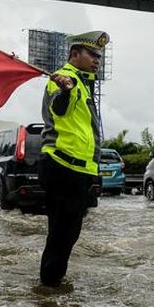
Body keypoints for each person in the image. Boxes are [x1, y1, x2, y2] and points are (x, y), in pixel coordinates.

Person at [39, 30, 109, 288]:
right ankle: (50, 293)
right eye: (92, 54)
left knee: (67, 234)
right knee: (62, 234)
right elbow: (59, 109)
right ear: (74, 54)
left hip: (78, 170)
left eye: (99, 56)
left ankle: (53, 283)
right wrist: (65, 91)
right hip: (62, 165)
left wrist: (94, 172)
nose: (97, 60)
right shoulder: (64, 79)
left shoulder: (83, 82)